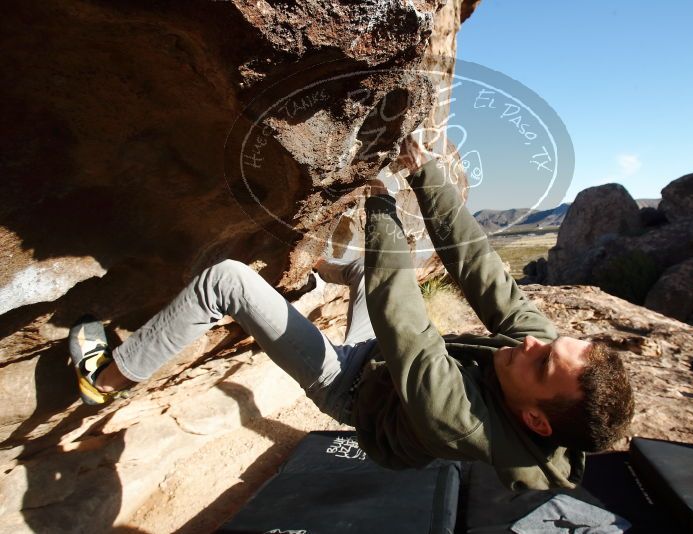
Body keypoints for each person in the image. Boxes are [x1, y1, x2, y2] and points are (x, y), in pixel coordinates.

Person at [69, 137, 634, 490]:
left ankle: (104, 378)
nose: (533, 344)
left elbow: (404, 322)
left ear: (536, 421)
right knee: (365, 268)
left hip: (347, 384)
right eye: (551, 343)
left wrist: (381, 201)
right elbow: (481, 270)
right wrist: (425, 174)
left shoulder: (461, 421)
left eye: (542, 364)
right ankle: (300, 277)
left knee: (227, 281)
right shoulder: (541, 358)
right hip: (382, 360)